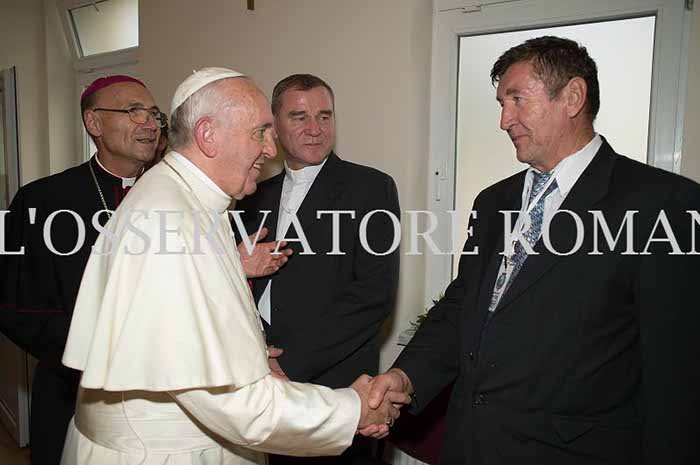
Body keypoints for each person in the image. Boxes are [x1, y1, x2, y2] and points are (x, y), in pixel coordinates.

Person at [368, 36, 700, 464]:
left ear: (573, 97)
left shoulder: (662, 203)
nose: (504, 120)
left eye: (517, 99)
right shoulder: (493, 202)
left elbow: (675, 376)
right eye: (501, 103)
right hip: (469, 446)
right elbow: (463, 308)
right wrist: (405, 376)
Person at [59, 67, 406, 465]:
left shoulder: (189, 200)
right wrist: (353, 409)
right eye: (260, 132)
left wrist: (258, 354)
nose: (270, 149)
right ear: (208, 135)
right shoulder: (170, 222)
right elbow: (236, 404)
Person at [236, 74, 400, 464]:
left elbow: (373, 294)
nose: (315, 129)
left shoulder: (371, 188)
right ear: (274, 126)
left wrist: (288, 362)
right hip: (256, 379)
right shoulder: (251, 193)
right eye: (299, 117)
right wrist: (254, 354)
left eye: (324, 116)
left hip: (333, 383)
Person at [0, 75, 164, 465]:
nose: (150, 123)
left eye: (154, 113)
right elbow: (14, 306)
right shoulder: (40, 200)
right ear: (94, 123)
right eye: (134, 111)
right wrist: (89, 347)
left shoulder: (176, 195)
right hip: (70, 386)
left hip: (160, 392)